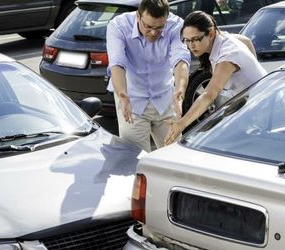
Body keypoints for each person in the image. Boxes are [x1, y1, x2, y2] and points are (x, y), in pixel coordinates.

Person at [164, 10, 266, 145]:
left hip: (265, 113)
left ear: (210, 34)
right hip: (252, 108)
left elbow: (208, 95)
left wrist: (181, 124)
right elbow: (246, 41)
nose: (191, 46)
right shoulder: (223, 37)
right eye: (187, 40)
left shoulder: (228, 55)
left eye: (195, 39)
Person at [106, 0, 191, 152]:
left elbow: (181, 59)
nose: (153, 33)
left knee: (174, 157)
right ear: (138, 16)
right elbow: (117, 62)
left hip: (165, 100)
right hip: (131, 102)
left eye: (159, 28)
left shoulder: (176, 25)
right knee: (135, 162)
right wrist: (122, 95)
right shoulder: (118, 26)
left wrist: (180, 89)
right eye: (149, 26)